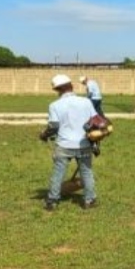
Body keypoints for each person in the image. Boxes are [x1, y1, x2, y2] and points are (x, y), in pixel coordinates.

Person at [39, 74, 98, 210]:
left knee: (58, 173)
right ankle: (89, 200)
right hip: (84, 144)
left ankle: (52, 201)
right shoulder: (86, 102)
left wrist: (44, 135)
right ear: (71, 86)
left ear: (57, 90)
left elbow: (53, 126)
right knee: (86, 173)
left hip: (64, 145)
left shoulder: (54, 105)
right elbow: (95, 121)